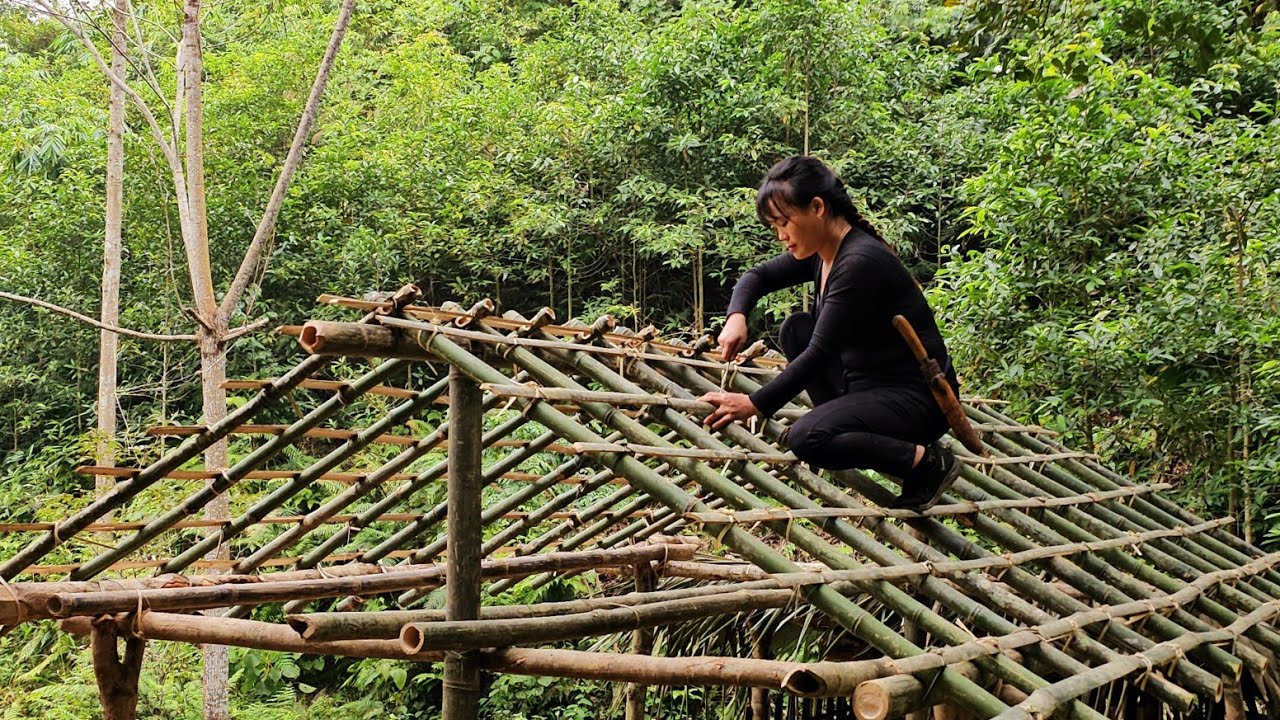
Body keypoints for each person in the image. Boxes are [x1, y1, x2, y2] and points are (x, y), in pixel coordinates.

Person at [698, 155, 961, 510]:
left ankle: (927, 463)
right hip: (866, 384)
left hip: (915, 402)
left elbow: (819, 353)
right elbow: (756, 277)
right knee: (795, 327)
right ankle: (843, 420)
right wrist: (736, 316)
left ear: (817, 208)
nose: (781, 236)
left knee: (807, 437)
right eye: (774, 227)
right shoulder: (823, 253)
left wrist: (754, 404)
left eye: (784, 223)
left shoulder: (858, 263)